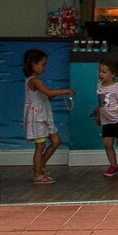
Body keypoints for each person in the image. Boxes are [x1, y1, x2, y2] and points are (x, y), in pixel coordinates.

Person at [22, 47, 71, 186]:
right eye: (42, 64)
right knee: (40, 146)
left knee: (55, 140)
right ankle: (37, 174)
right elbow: (48, 93)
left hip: (43, 116)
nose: (44, 67)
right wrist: (66, 91)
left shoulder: (37, 81)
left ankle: (40, 165)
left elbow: (44, 96)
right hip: (37, 118)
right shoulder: (33, 81)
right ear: (32, 64)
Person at [92, 58, 118, 178]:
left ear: (113, 74)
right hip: (107, 120)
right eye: (100, 71)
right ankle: (113, 165)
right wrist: (99, 115)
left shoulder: (117, 88)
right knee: (107, 143)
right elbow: (102, 103)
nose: (100, 74)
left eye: (104, 72)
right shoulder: (100, 86)